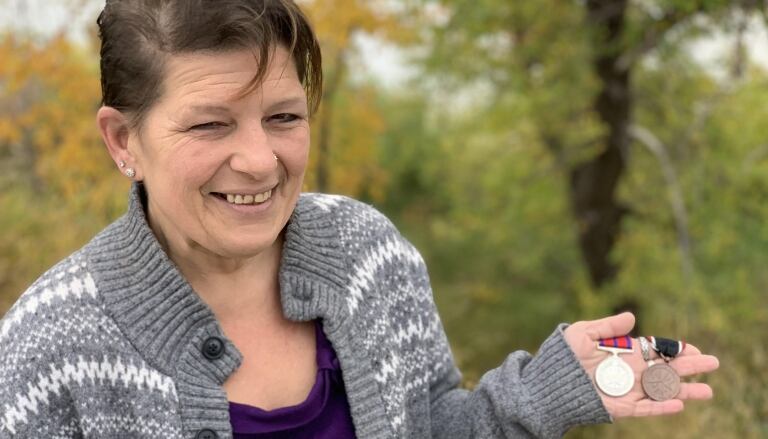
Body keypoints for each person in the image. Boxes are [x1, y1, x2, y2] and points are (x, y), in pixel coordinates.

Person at [0, 1, 719, 438]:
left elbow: (434, 429)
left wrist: (540, 394)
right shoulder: (47, 349)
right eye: (211, 125)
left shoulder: (368, 254)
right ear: (123, 140)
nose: (258, 160)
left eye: (283, 117)